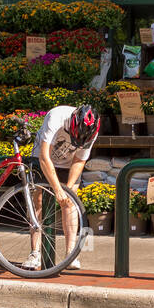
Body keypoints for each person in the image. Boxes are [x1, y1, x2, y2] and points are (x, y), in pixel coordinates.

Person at [22, 103, 100, 271]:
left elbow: (80, 161)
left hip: (69, 161)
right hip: (44, 156)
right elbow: (44, 157)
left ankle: (70, 254)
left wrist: (67, 190)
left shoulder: (93, 131)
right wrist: (57, 189)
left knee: (70, 203)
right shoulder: (56, 117)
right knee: (39, 200)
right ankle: (35, 253)